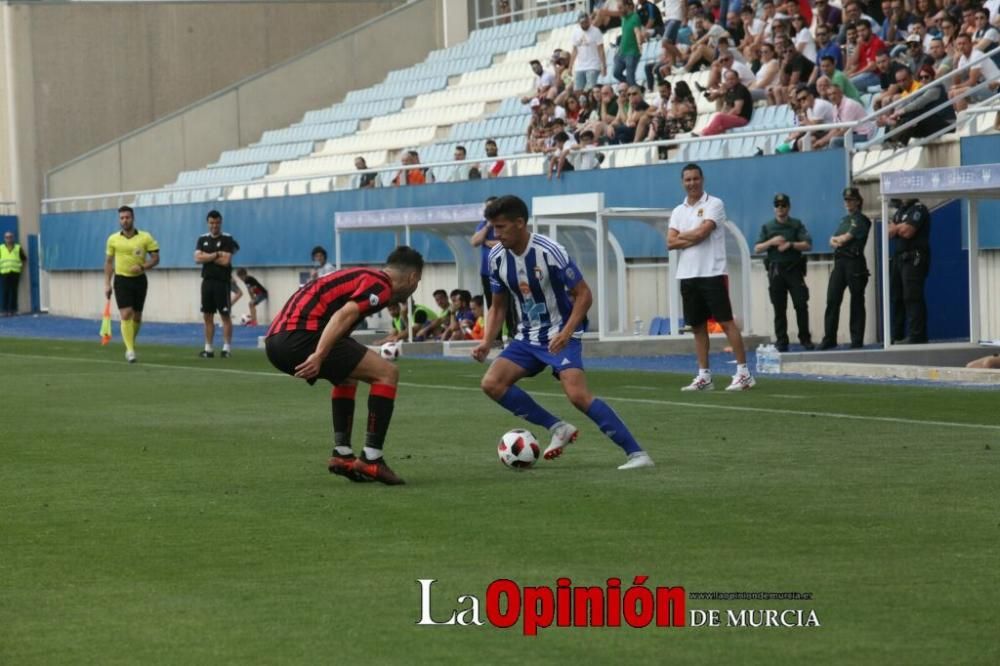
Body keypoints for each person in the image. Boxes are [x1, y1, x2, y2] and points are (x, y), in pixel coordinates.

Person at [471, 195, 653, 470]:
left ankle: (637, 454)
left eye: (501, 227)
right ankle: (558, 428)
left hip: (561, 332)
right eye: (494, 228)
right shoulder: (496, 258)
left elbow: (584, 294)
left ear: (520, 223)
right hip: (528, 337)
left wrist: (567, 332)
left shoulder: (549, 251)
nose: (496, 234)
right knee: (491, 384)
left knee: (578, 395)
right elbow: (498, 306)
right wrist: (486, 342)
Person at [265, 246, 424, 485]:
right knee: (387, 373)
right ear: (412, 277)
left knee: (347, 377)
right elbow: (344, 315)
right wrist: (319, 354)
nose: (415, 288)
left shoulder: (365, 276)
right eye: (418, 282)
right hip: (301, 335)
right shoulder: (380, 285)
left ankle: (342, 454)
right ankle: (372, 458)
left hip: (275, 340)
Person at [667, 164, 754, 391]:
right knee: (697, 326)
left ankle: (744, 373)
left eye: (695, 179)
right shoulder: (678, 211)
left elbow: (702, 233)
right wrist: (691, 236)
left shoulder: (715, 204)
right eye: (688, 180)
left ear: (702, 180)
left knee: (726, 322)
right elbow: (670, 242)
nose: (692, 183)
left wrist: (685, 237)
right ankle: (704, 376)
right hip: (687, 274)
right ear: (682, 182)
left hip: (712, 273)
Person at [754, 193, 815, 352]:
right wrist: (771, 242)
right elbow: (757, 248)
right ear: (774, 208)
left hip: (794, 269)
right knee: (779, 308)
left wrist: (790, 245)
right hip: (776, 271)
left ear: (788, 207)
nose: (780, 208)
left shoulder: (796, 224)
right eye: (777, 205)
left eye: (783, 205)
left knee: (801, 304)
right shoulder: (768, 227)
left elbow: (808, 244)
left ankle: (805, 338)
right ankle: (782, 340)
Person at [103, 206, 160, 363]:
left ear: (133, 218)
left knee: (137, 316)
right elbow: (108, 263)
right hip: (121, 280)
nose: (125, 220)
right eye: (122, 218)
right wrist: (107, 283)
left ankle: (130, 343)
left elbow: (156, 258)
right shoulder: (113, 239)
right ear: (119, 220)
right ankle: (130, 350)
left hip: (140, 280)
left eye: (127, 217)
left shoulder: (145, 237)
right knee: (126, 313)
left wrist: (142, 267)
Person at [820, 187, 871, 350]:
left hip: (854, 262)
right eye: (846, 200)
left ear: (858, 201)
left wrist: (837, 240)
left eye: (851, 200)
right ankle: (829, 338)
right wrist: (837, 240)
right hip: (840, 262)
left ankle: (856, 339)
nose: (848, 203)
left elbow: (843, 239)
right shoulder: (844, 221)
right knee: (832, 300)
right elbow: (832, 240)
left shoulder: (861, 220)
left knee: (856, 300)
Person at [194, 210, 240, 358]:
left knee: (225, 315)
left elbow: (226, 261)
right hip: (207, 281)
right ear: (208, 223)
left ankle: (226, 348)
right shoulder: (202, 239)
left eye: (217, 222)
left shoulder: (227, 239)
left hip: (222, 282)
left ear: (221, 222)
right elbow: (197, 259)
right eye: (212, 222)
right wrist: (216, 254)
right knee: (207, 316)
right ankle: (208, 349)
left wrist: (206, 256)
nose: (214, 225)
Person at [470, 197, 516, 342]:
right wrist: (488, 227)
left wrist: (493, 243)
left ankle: (512, 335)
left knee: (508, 305)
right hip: (487, 272)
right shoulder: (484, 226)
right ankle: (494, 338)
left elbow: (510, 241)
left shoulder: (505, 224)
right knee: (492, 305)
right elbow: (475, 241)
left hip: (505, 270)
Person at [889, 198, 931, 344]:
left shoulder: (919, 209)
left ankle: (917, 336)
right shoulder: (900, 211)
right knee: (897, 297)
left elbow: (908, 232)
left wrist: (897, 227)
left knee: (912, 296)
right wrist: (898, 227)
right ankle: (896, 336)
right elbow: (888, 232)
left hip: (914, 258)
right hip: (899, 259)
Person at [0, 231, 26, 316]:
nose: (9, 239)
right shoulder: (1, 248)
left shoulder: (18, 248)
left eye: (10, 237)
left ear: (13, 238)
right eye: (7, 237)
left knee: (14, 291)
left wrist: (20, 266)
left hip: (15, 272)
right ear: (4, 239)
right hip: (4, 272)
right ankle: (4, 310)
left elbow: (24, 258)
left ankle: (13, 310)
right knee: (5, 291)